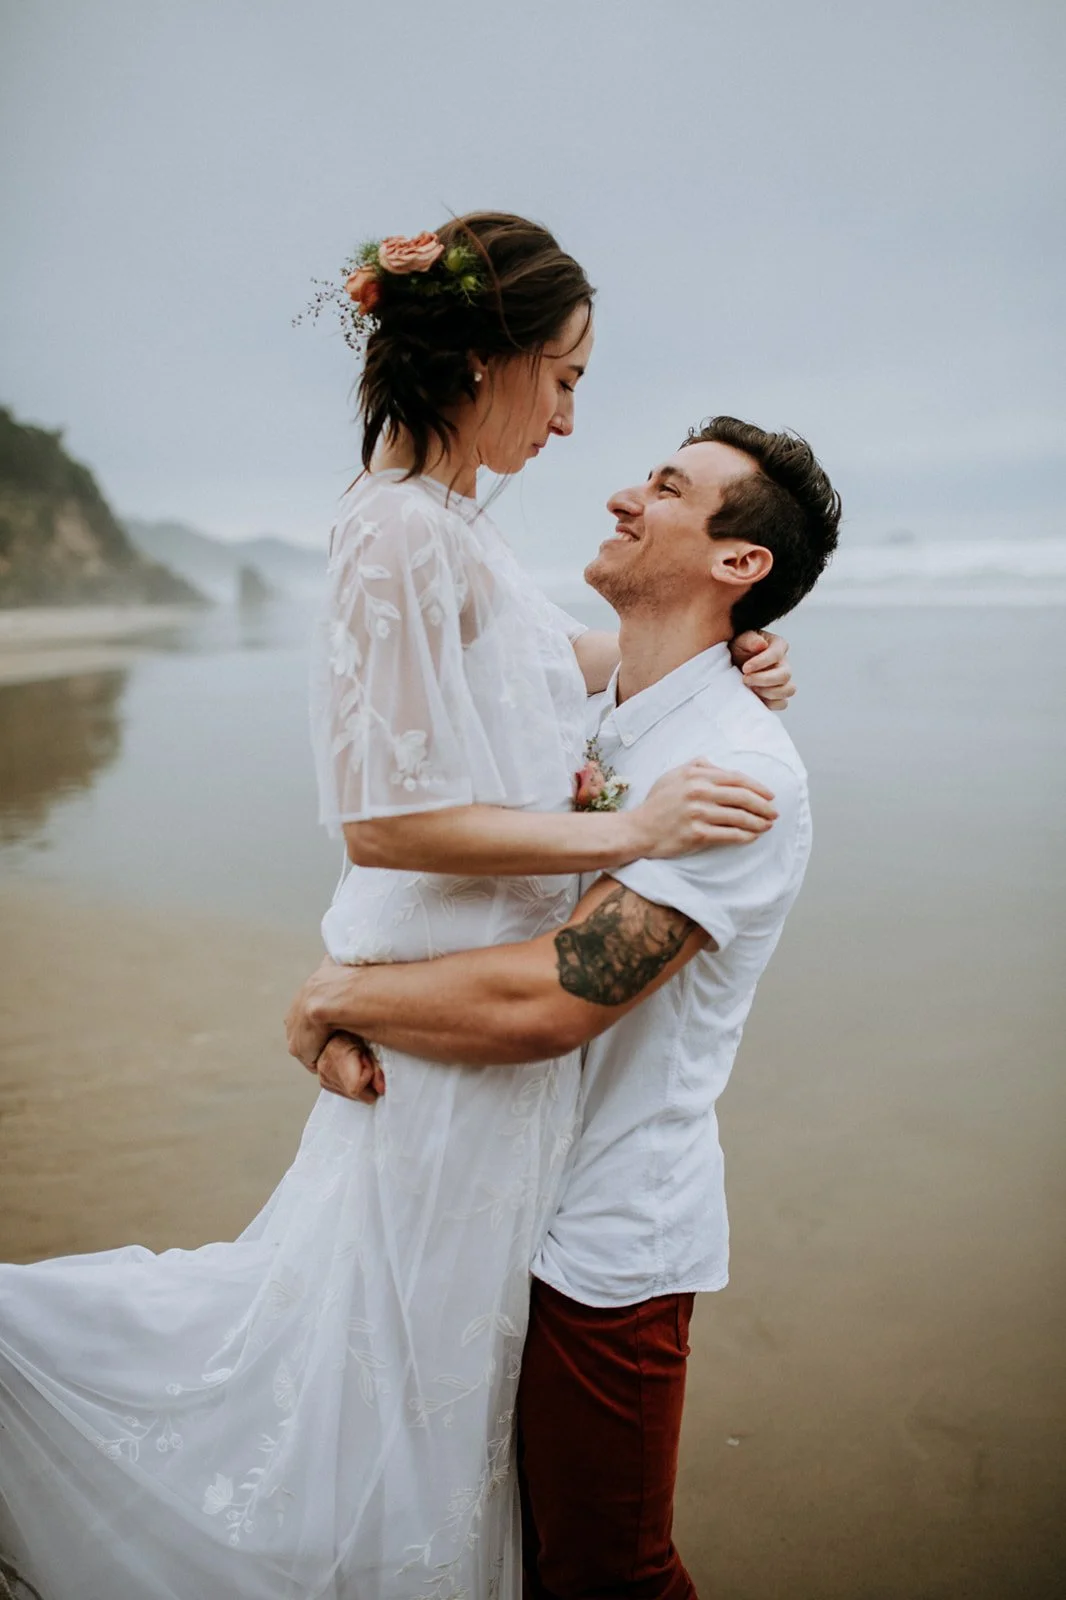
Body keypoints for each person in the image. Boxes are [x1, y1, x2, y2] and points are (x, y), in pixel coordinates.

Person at [0, 215, 790, 1600]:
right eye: (563, 377)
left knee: (397, 1394)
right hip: (447, 1049)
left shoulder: (453, 532)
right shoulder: (396, 531)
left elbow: (553, 666)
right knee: (334, 1372)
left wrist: (725, 662)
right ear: (485, 357)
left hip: (481, 1068)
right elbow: (380, 821)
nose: (568, 419)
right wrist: (633, 824)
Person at [286, 415, 842, 1599]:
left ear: (739, 560)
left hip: (605, 1242)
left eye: (667, 488)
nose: (622, 496)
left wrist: (340, 996)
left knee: (604, 1573)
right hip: (485, 1205)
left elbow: (555, 995)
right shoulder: (598, 717)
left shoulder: (737, 772)